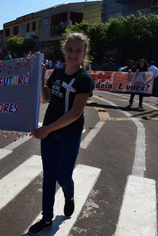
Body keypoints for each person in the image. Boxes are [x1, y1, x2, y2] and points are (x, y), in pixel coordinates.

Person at [28, 32, 93, 235]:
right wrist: (41, 78)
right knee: (49, 176)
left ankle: (69, 196)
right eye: (70, 50)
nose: (73, 54)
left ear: (84, 54)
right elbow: (45, 98)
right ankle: (47, 218)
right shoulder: (57, 72)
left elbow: (75, 113)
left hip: (69, 134)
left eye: (78, 51)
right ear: (64, 51)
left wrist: (47, 129)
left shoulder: (84, 79)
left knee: (63, 177)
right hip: (49, 133)